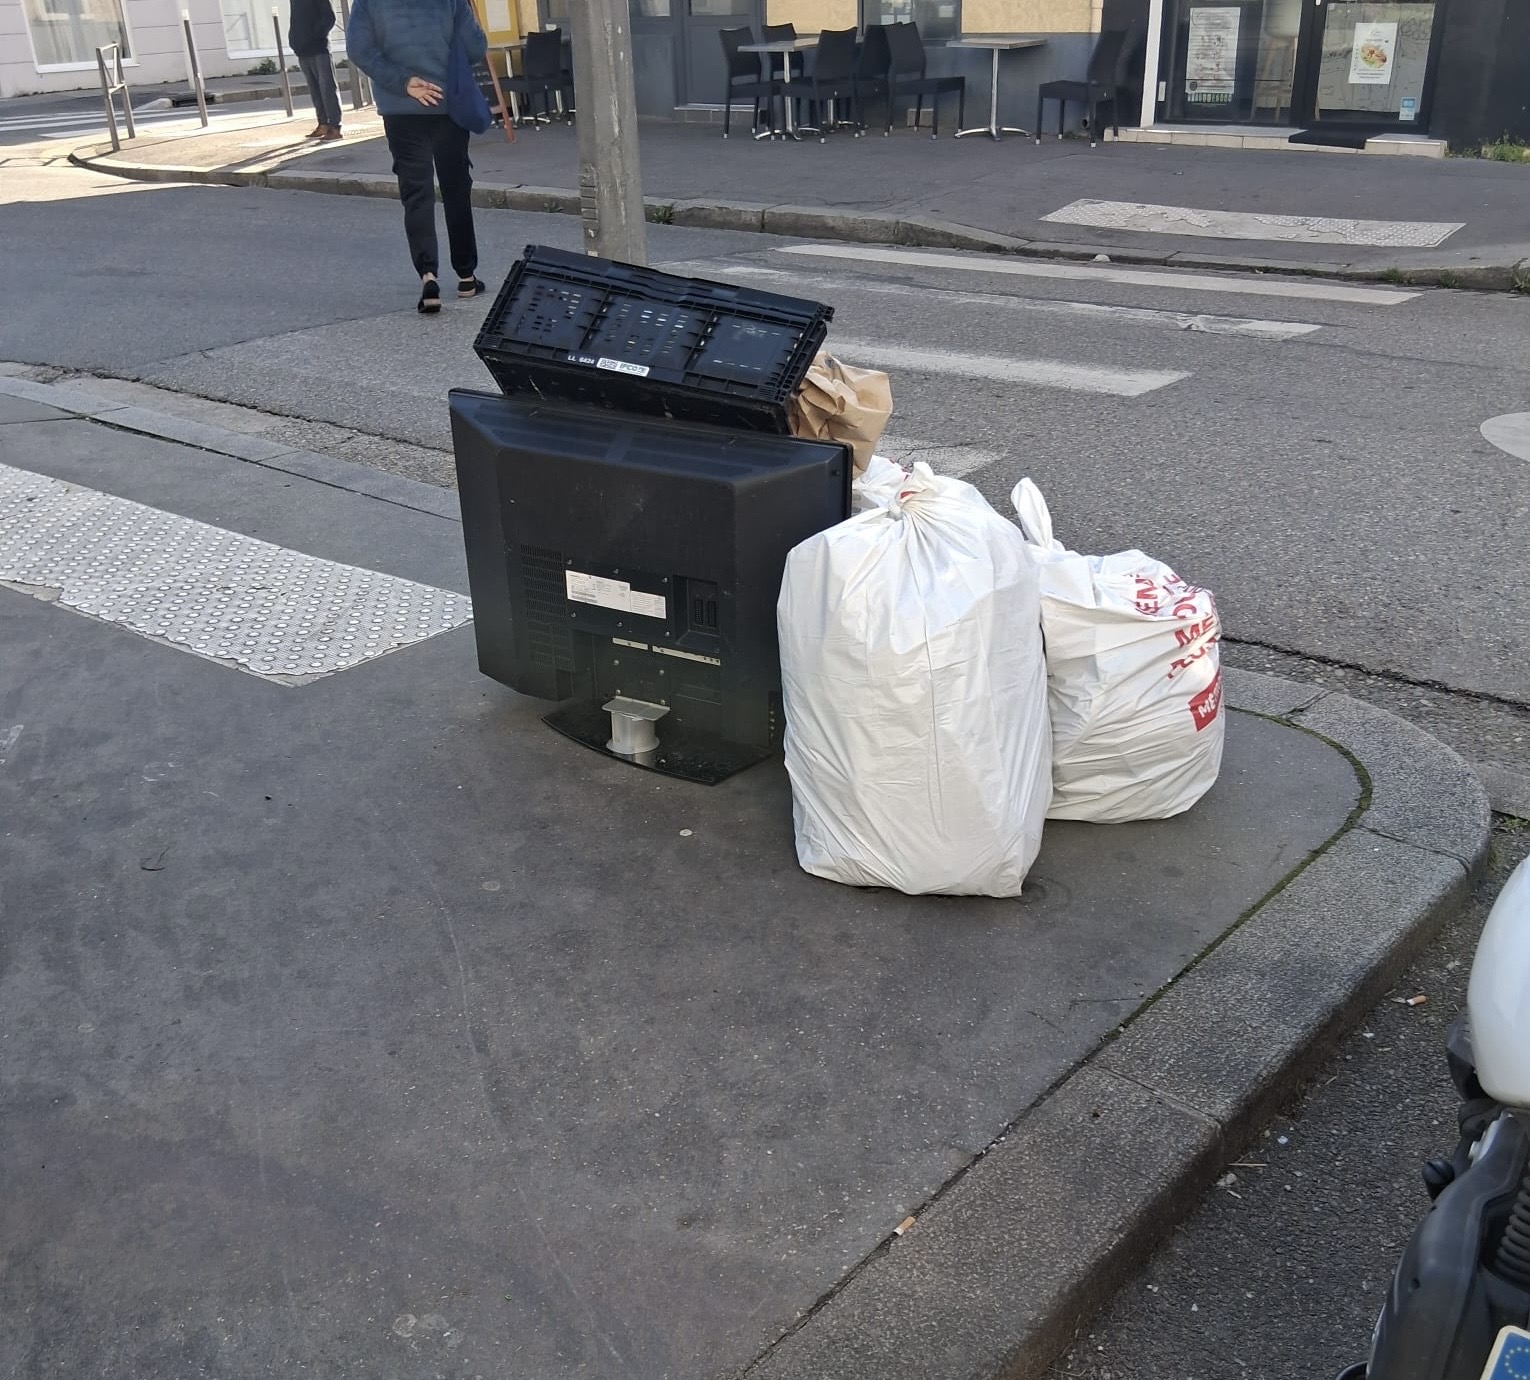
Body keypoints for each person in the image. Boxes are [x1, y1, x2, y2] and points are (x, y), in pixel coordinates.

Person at [346, 0, 488, 314]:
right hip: (446, 105)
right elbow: (475, 47)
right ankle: (466, 276)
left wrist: (404, 83)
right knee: (456, 189)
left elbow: (359, 49)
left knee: (416, 193)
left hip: (400, 109)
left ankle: (428, 277)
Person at [288, 0, 342, 142]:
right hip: (302, 50)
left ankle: (335, 127)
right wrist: (293, 40)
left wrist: (315, 35)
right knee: (315, 90)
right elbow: (295, 20)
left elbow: (329, 17)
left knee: (327, 88)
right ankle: (323, 124)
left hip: (319, 49)